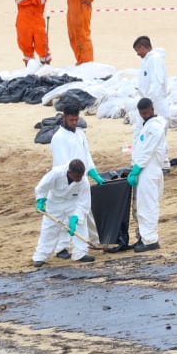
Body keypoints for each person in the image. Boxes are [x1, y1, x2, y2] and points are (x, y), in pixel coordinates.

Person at [50, 104, 103, 256]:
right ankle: (62, 248)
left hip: (81, 178)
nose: (74, 122)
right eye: (71, 119)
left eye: (76, 119)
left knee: (85, 211)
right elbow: (62, 164)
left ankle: (94, 241)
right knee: (66, 214)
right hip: (67, 182)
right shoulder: (59, 138)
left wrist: (92, 171)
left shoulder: (80, 134)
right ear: (64, 118)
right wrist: (73, 181)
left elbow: (86, 154)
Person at [33, 159, 95, 267]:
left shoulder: (83, 181)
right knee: (49, 228)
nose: (79, 179)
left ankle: (80, 253)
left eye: (81, 177)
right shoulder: (56, 173)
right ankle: (41, 256)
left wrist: (76, 217)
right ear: (70, 172)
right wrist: (40, 201)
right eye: (77, 177)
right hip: (54, 202)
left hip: (73, 203)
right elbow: (42, 187)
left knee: (80, 225)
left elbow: (84, 202)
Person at [127, 98, 167, 252]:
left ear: (152, 109)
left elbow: (148, 151)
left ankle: (151, 240)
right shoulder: (147, 126)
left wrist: (137, 168)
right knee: (141, 207)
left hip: (149, 171)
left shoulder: (155, 127)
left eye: (146, 112)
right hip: (143, 171)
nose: (144, 115)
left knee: (148, 207)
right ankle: (144, 237)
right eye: (141, 113)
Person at [133, 35, 171, 171]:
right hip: (149, 103)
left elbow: (157, 82)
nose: (137, 54)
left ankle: (164, 163)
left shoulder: (154, 60)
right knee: (146, 133)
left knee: (158, 133)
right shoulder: (148, 61)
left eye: (138, 50)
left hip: (155, 104)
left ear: (142, 47)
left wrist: (149, 103)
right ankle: (148, 161)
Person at [14, 0, 50, 66]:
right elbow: (18, 0)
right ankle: (29, 66)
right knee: (24, 43)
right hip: (23, 19)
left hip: (37, 18)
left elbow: (42, 0)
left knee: (41, 43)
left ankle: (45, 65)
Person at [66, 0, 95, 64]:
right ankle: (81, 61)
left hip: (80, 9)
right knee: (73, 36)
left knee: (82, 37)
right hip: (73, 10)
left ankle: (87, 63)